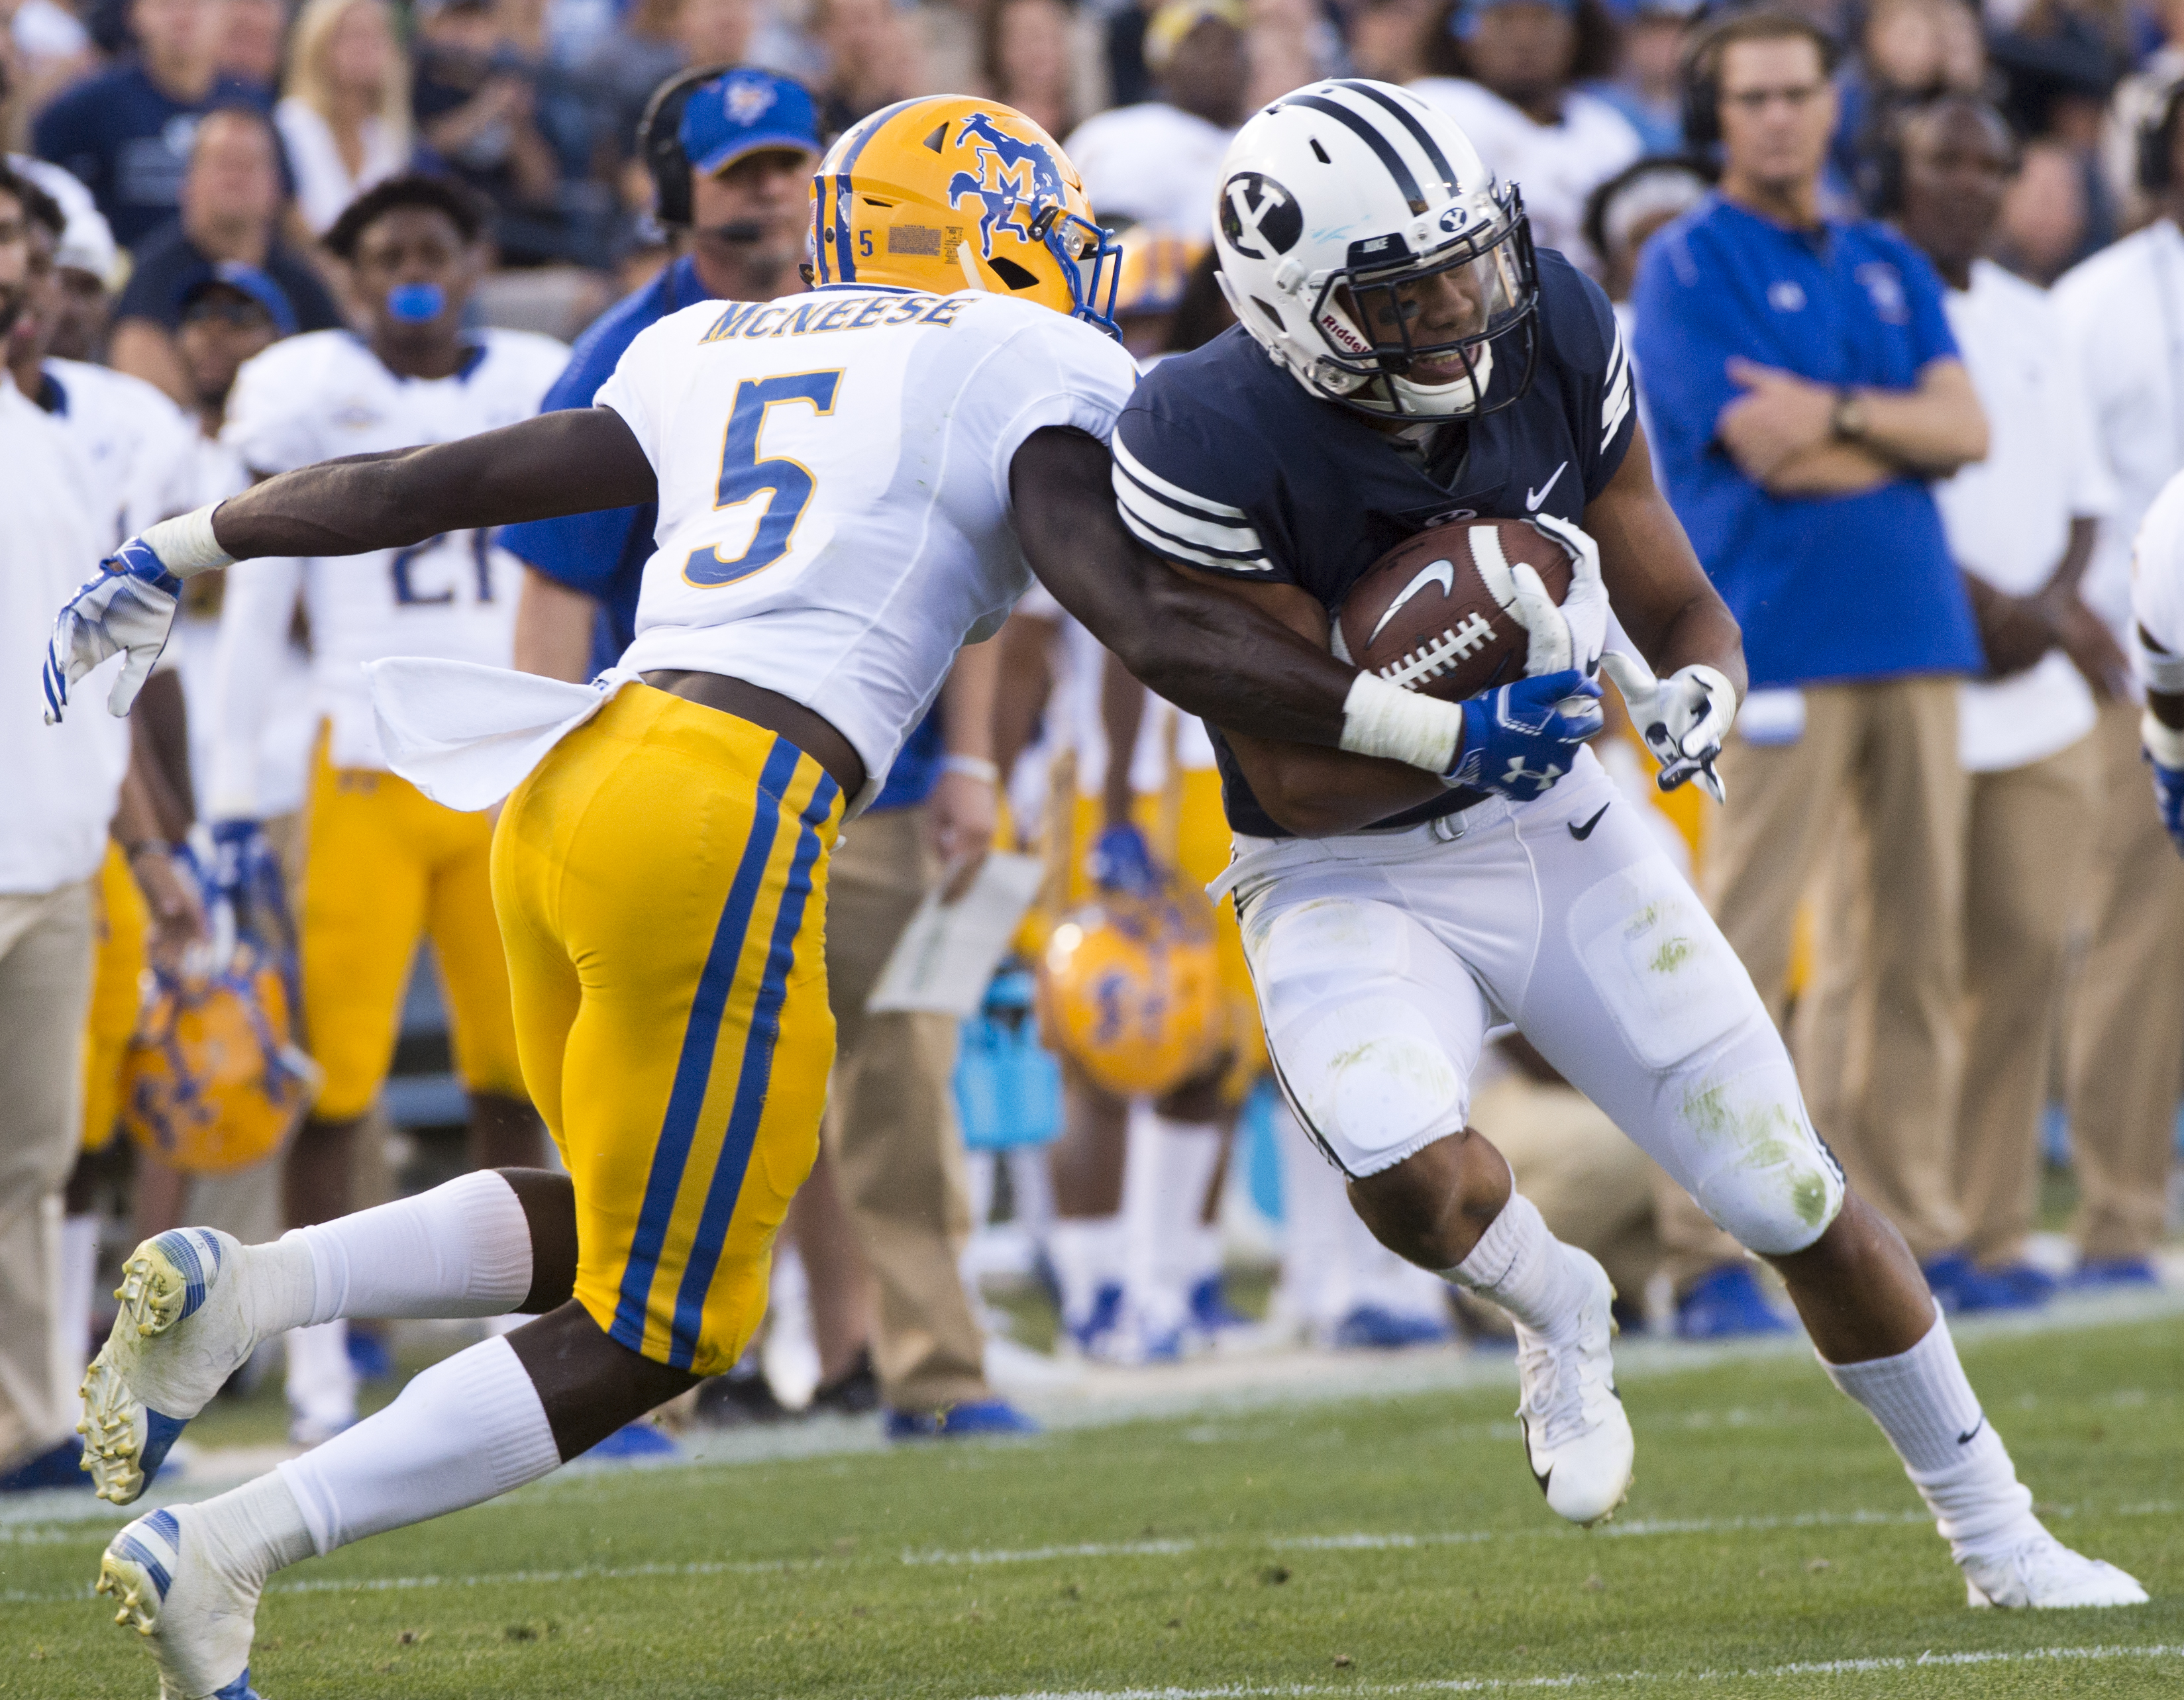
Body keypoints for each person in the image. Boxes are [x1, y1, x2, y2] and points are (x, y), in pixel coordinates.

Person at [46, 93, 1514, 1690]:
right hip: (724, 807)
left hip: (574, 777)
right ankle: (233, 1542)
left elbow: (434, 482)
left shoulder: (711, 339)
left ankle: (248, 1288)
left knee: (641, 1226)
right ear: (978, 223)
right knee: (669, 1322)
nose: (1070, 261)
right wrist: (1428, 723)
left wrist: (181, 542)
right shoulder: (1017, 357)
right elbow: (1147, 627)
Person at [1110, 74, 2136, 1605]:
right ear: (1298, 310)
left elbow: (1668, 581)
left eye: (1470, 261)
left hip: (1553, 819)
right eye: (1410, 293)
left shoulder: (1551, 325)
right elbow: (1293, 768)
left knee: (1790, 1185)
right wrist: (1456, 727)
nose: (1467, 308)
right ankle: (1558, 1296)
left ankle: (2001, 1532)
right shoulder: (1204, 428)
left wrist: (1704, 681)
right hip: (1338, 860)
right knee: (1399, 1167)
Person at [504, 68, 1032, 1437]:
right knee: (655, 1096)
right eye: (735, 170)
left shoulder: (920, 326)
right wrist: (539, 750)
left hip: (884, 771)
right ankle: (641, 1387)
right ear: (668, 190)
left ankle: (910, 1361)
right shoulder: (637, 343)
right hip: (701, 774)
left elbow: (967, 565)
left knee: (896, 1089)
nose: (764, 192)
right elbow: (557, 579)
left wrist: (971, 762)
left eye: (788, 164)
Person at [1631, 9, 1999, 1317]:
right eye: (1753, 98)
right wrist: (1895, 446)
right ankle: (1701, 1241)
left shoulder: (1887, 257)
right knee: (1735, 946)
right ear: (1714, 117)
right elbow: (1762, 448)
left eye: (1797, 93)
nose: (1778, 117)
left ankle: (1910, 1224)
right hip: (1767, 641)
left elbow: (1967, 428)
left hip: (1911, 631)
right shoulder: (1683, 265)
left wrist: (1844, 418)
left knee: (1906, 947)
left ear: (1834, 105)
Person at [203, 173, 567, 1445]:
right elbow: (255, 596)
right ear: (352, 277)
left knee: (510, 1076)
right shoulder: (303, 384)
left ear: (475, 258)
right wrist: (232, 788)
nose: (413, 271)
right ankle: (315, 1364)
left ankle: (510, 1346)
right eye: (387, 253)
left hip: (498, 764)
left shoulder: (532, 372)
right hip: (359, 768)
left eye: (435, 247)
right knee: (338, 1081)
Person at [1819, 96, 2116, 1303]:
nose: (1970, 186)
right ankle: (1881, 1231)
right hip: (1914, 670)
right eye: (1945, 160)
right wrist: (1980, 606)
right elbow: (1869, 485)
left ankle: (1989, 1231)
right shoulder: (1865, 294)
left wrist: (2036, 609)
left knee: (2023, 964)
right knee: (1892, 962)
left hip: (2035, 692)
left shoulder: (2039, 314)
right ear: (1893, 165)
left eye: (1990, 167)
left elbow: (2083, 498)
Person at [0, 162, 203, 1495]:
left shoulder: (63, 443)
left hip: (60, 853)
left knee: (32, 1161)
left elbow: (88, 673)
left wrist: (148, 849)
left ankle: (20, 1424)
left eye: (18, 244)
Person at [2049, 78, 2184, 1292]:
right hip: (2147, 672)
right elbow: (2071, 499)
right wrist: (2109, 658)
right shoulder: (2090, 302)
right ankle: (2117, 1217)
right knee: (2139, 951)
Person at [107, 107, 344, 407]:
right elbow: (141, 392)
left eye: (247, 165)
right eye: (222, 164)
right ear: (188, 182)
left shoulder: (302, 280)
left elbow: (342, 374)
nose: (235, 179)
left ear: (276, 186)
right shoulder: (152, 275)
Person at [1411, 0, 1640, 275]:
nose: (1524, 38)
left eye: (1542, 18)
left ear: (1575, 33)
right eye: (1504, 19)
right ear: (1462, 35)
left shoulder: (1608, 132)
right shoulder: (1436, 108)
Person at [30, 0, 276, 249]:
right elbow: (41, 174)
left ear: (226, 13)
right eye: (166, 4)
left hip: (225, 275)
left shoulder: (252, 103)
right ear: (135, 14)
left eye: (197, 4)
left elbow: (282, 206)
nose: (183, 16)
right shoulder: (92, 104)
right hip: (125, 274)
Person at [1064, 0, 1248, 240]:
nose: (1216, 56)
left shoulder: (1271, 134)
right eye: (1198, 43)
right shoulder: (1121, 133)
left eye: (1227, 44)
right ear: (1162, 66)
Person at [276, 0, 415, 235]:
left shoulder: (388, 137)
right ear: (318, 44)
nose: (365, 47)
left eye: (376, 35)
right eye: (352, 35)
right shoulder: (290, 125)